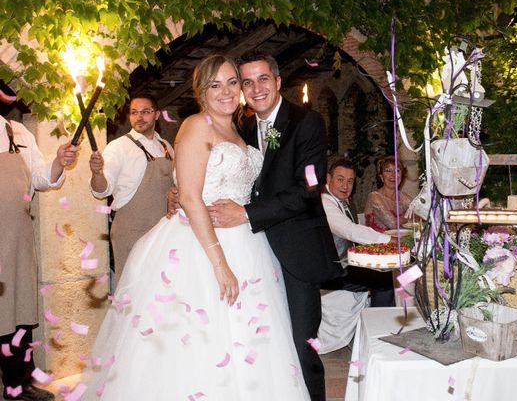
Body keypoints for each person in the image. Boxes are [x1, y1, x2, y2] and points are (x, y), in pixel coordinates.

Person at [81, 55, 309, 400]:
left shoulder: (241, 128)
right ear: (201, 91)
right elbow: (189, 196)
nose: (227, 91)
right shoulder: (196, 125)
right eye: (215, 84)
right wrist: (219, 264)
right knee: (199, 343)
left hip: (248, 244)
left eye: (233, 82)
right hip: (201, 249)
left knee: (252, 340)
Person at [210, 54, 341, 401]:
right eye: (247, 82)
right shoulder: (241, 127)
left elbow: (308, 187)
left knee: (301, 344)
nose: (256, 88)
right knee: (261, 344)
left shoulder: (307, 122)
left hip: (295, 250)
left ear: (279, 81)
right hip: (250, 251)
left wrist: (248, 214)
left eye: (263, 79)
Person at [1, 115, 77, 401]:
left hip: (18, 236)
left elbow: (42, 178)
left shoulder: (16, 132)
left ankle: (19, 385)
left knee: (19, 309)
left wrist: (59, 161)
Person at [89, 94, 174, 282]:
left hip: (164, 230)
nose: (139, 117)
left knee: (161, 289)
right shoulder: (119, 147)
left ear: (157, 115)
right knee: (131, 289)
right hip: (131, 230)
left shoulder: (166, 146)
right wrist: (97, 173)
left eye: (145, 112)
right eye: (134, 113)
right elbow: (102, 190)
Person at [321, 157, 396, 307]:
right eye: (340, 179)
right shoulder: (325, 202)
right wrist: (388, 241)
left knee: (388, 268)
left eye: (350, 181)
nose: (345, 186)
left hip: (346, 263)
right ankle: (380, 322)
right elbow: (349, 230)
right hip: (332, 271)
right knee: (385, 280)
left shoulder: (343, 200)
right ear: (329, 178)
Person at [364, 155, 412, 233]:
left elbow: (419, 212)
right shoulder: (374, 197)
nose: (393, 175)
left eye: (397, 171)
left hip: (399, 242)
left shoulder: (403, 197)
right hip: (376, 243)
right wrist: (409, 214)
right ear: (381, 177)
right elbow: (393, 224)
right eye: (388, 171)